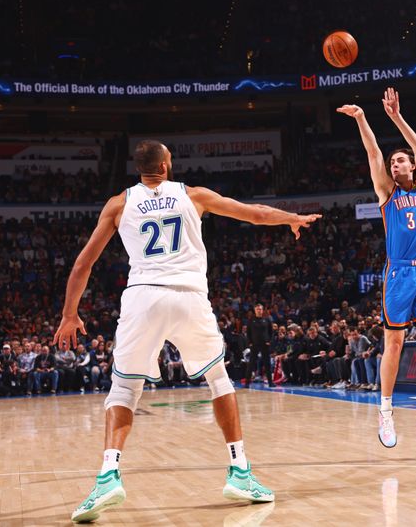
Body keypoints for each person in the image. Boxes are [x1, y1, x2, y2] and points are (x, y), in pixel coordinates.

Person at [54, 140, 320, 522]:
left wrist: (69, 314)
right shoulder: (193, 194)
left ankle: (108, 475)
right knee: (218, 380)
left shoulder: (118, 203)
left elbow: (83, 264)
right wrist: (291, 218)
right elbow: (255, 215)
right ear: (167, 164)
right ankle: (240, 471)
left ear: (140, 169)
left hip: (142, 297)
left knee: (124, 388)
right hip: (188, 296)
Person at [338, 87, 416, 448]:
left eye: (401, 161)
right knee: (395, 343)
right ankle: (385, 412)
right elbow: (372, 152)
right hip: (398, 273)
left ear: (411, 167)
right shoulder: (388, 194)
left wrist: (396, 117)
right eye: (393, 162)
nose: (396, 164)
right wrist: (362, 119)